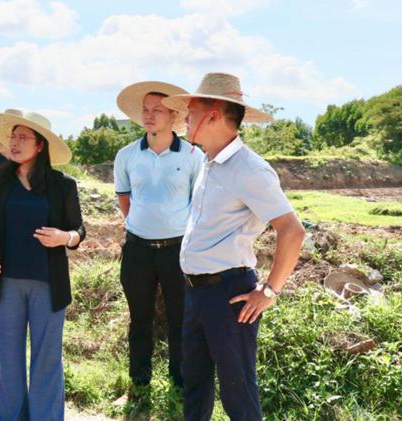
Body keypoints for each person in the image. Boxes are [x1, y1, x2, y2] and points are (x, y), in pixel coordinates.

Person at [162, 73, 305, 421]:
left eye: (191, 111)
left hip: (229, 294)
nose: (185, 119)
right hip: (196, 291)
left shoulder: (250, 169)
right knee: (194, 386)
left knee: (237, 392)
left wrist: (270, 291)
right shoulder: (208, 164)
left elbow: (292, 230)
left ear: (213, 114)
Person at [0, 111, 85, 421]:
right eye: (13, 137)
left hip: (49, 286)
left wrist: (65, 237)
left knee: (46, 361)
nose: (15, 142)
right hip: (3, 284)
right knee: (8, 362)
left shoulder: (63, 185)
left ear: (40, 146)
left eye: (23, 137)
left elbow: (79, 231)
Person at [113, 81, 204, 390]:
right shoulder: (126, 155)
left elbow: (198, 204)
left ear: (173, 116)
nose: (149, 116)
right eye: (145, 110)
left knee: (181, 318)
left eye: (157, 111)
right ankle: (139, 381)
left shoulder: (193, 156)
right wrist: (143, 225)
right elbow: (124, 200)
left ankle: (179, 381)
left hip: (178, 251)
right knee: (140, 319)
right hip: (137, 249)